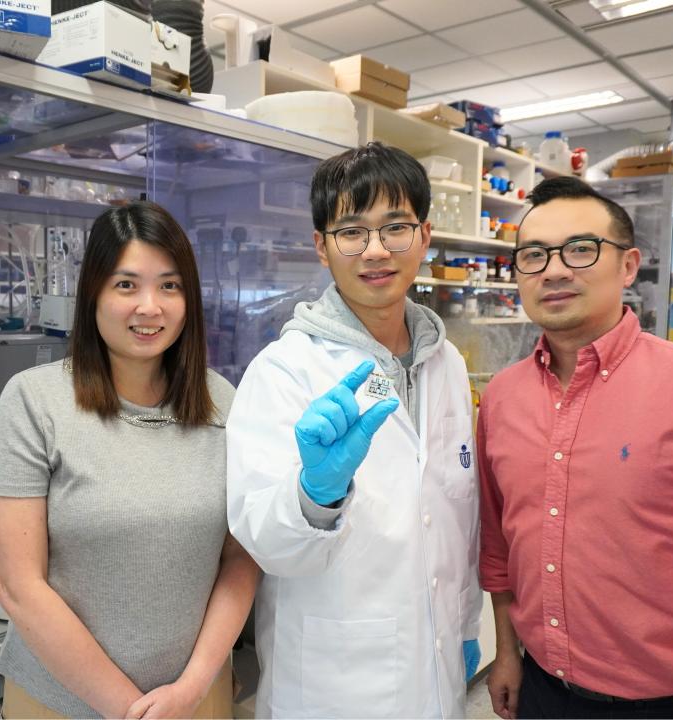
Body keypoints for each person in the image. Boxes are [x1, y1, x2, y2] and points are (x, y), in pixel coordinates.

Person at [226, 141, 482, 718]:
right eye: (351, 231)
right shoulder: (283, 371)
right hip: (332, 680)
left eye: (396, 227)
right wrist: (315, 496)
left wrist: (466, 621)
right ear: (321, 245)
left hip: (438, 662)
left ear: (425, 236)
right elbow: (261, 539)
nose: (375, 251)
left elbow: (456, 513)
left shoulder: (447, 363)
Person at [0, 201, 259, 719]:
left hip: (196, 700)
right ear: (94, 295)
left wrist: (193, 688)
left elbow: (240, 561)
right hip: (60, 702)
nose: (149, 306)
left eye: (169, 286)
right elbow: (19, 587)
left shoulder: (224, 404)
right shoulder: (34, 402)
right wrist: (130, 709)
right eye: (126, 285)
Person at [478, 176, 673, 719]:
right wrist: (507, 652)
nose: (554, 269)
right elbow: (498, 546)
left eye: (580, 249)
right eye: (533, 255)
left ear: (628, 265)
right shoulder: (502, 398)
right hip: (543, 689)